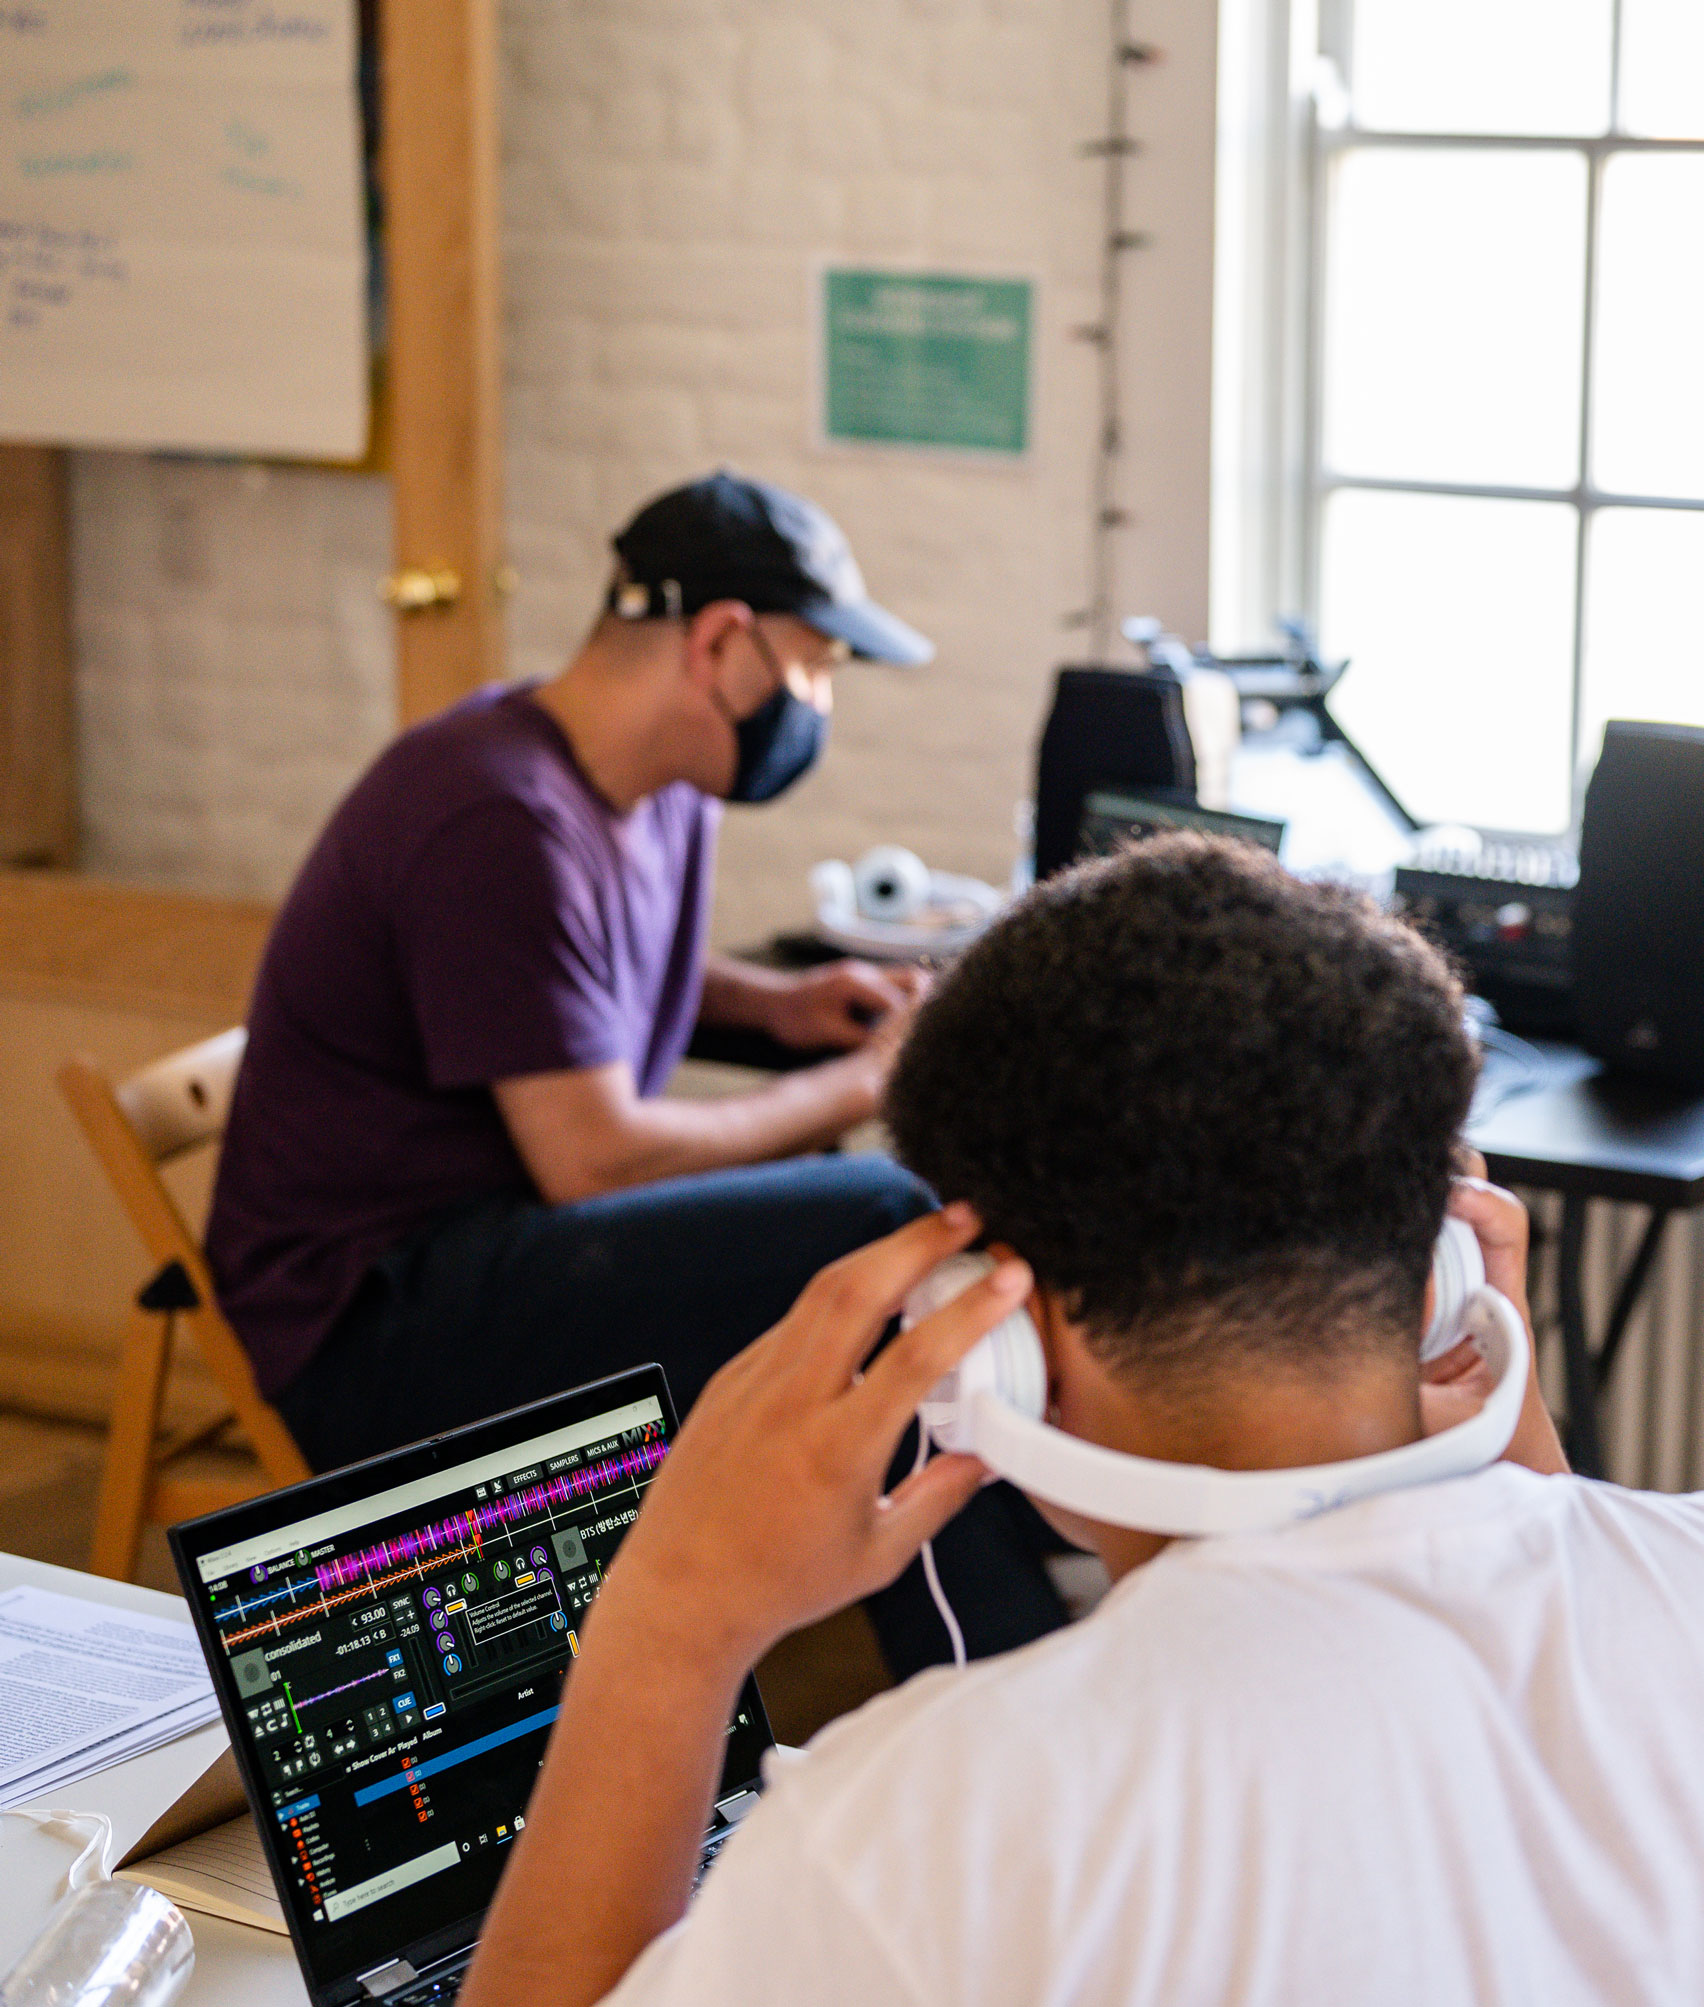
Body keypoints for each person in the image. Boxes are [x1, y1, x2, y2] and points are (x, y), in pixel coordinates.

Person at [459, 836, 1704, 2007]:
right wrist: (1498, 1406)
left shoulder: (938, 1824)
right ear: (1441, 1277)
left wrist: (666, 1625)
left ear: (1009, 1340)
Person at [206, 469, 1068, 1660]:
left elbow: (569, 979)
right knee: (870, 1216)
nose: (816, 701)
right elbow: (594, 1159)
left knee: (862, 1258)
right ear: (722, 642)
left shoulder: (644, 785)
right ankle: (999, 1658)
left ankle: (1007, 1587)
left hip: (498, 1252)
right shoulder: (493, 815)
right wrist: (865, 1079)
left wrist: (782, 1010)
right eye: (811, 665)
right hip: (372, 1330)